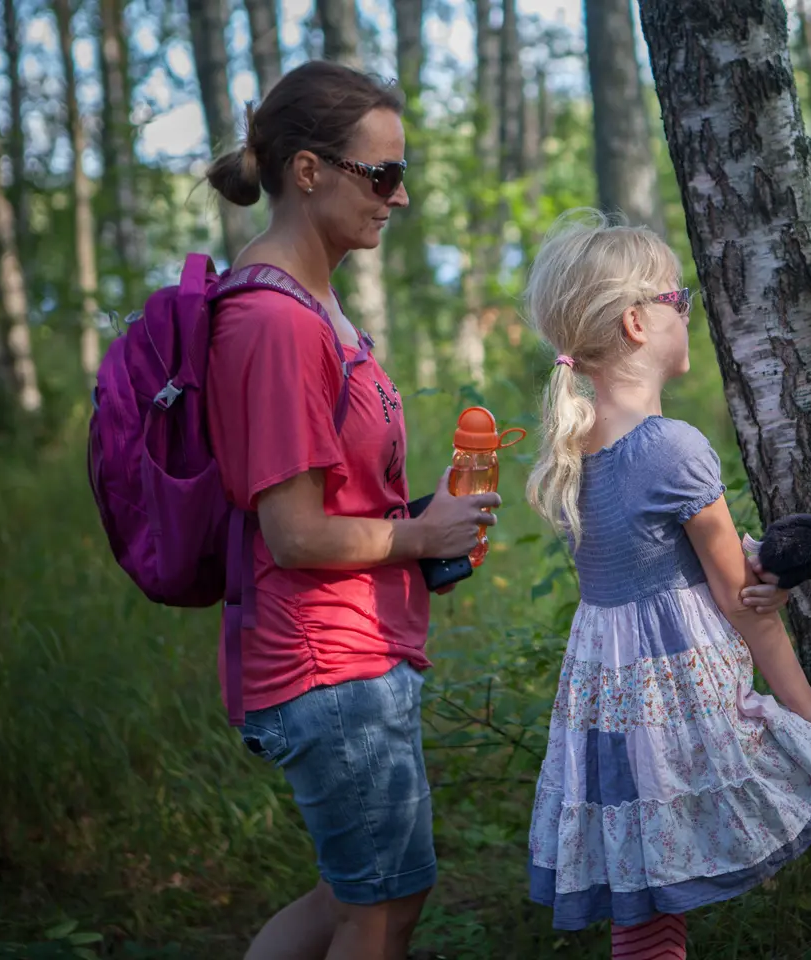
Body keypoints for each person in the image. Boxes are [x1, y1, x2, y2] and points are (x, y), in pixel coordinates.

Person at [521, 210, 811, 959]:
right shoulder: (673, 449)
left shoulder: (573, 452)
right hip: (689, 717)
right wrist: (807, 704)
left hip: (616, 731)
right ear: (637, 322)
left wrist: (741, 561)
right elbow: (738, 603)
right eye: (676, 300)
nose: (688, 310)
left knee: (646, 899)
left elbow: (655, 566)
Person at [203, 60, 499, 960]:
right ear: (307, 172)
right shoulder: (276, 323)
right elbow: (290, 532)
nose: (398, 197)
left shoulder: (314, 303)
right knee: (381, 909)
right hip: (328, 666)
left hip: (355, 656)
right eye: (382, 175)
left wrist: (424, 515)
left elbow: (333, 494)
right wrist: (420, 535)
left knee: (353, 894)